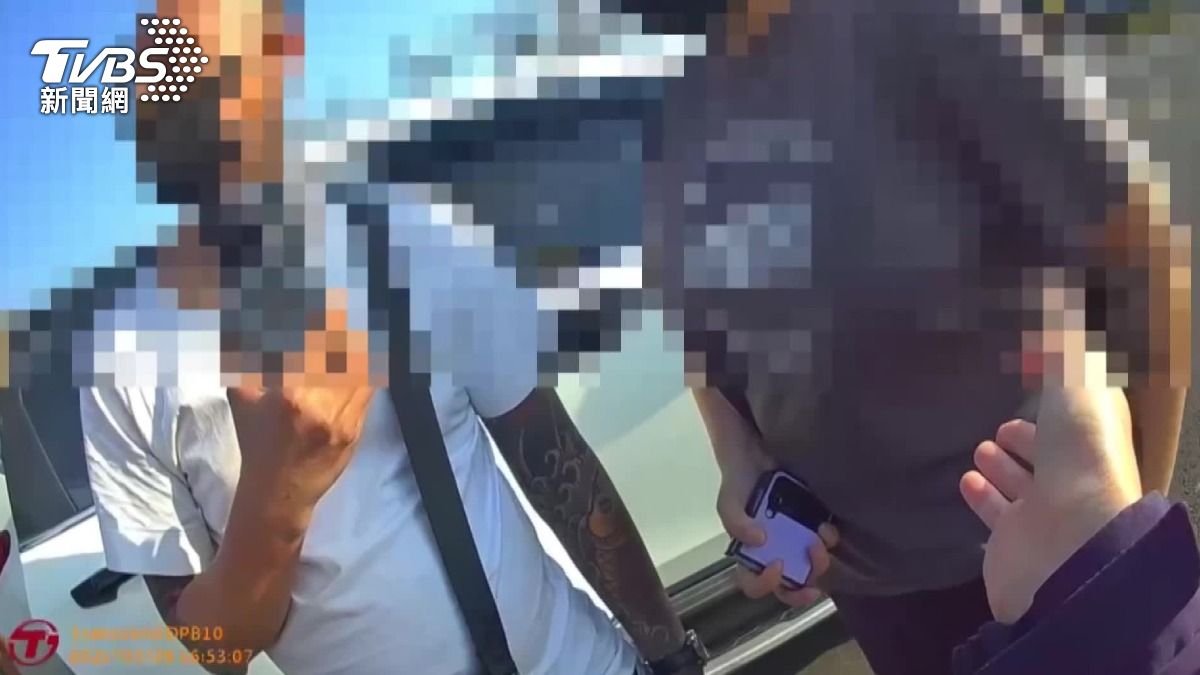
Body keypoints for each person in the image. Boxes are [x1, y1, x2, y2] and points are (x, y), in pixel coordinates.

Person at [75, 3, 705, 675]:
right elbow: (218, 649)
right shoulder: (122, 360)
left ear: (280, 53)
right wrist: (278, 492)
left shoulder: (414, 227)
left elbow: (557, 466)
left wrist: (670, 654)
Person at [656, 1, 1191, 674]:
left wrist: (1120, 547)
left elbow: (1148, 270)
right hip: (869, 590)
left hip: (1030, 574)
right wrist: (737, 452)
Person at [955, 381, 1200, 673]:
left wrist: (1133, 529)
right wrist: (1134, 536)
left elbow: (1159, 357)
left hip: (1035, 524)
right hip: (1043, 547)